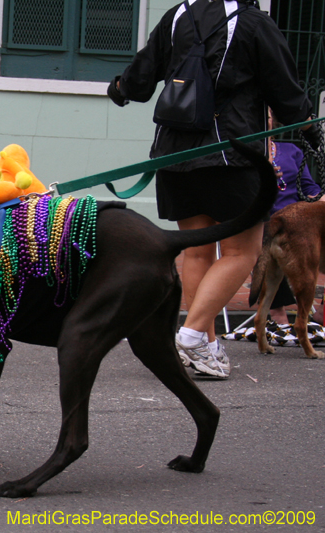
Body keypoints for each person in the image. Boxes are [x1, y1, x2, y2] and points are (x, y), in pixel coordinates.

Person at [107, 0, 317, 379]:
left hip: (173, 154)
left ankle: (205, 345)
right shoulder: (254, 23)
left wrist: (119, 88)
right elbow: (286, 94)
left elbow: (137, 82)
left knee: (199, 250)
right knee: (243, 249)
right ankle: (190, 334)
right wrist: (310, 129)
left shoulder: (177, 16)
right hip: (230, 156)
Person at [264, 109, 324, 325]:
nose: (266, 116)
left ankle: (321, 311)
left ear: (276, 120)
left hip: (298, 220)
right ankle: (278, 314)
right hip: (264, 219)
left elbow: (309, 186)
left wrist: (320, 198)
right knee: (267, 238)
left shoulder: (291, 150)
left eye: (270, 113)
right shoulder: (242, 154)